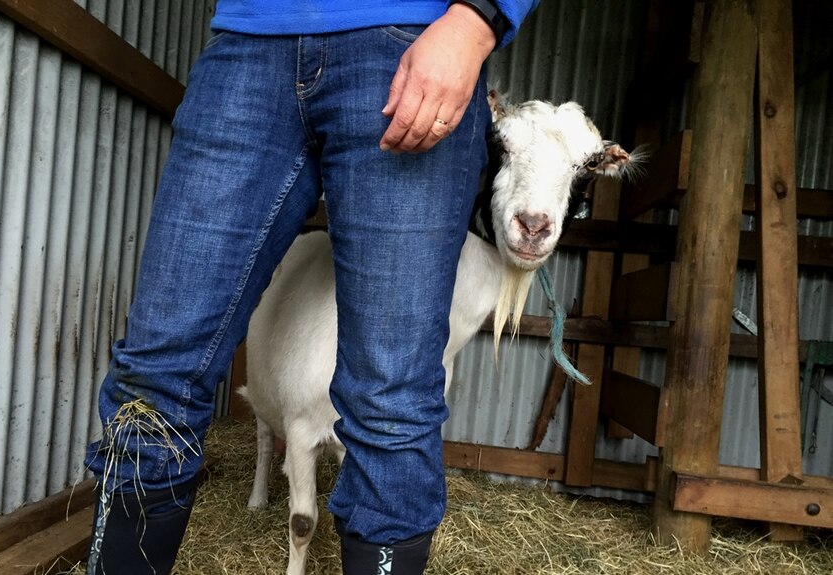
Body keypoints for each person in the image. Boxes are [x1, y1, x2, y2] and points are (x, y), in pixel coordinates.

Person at [84, 1, 539, 573]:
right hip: (249, 41)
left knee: (391, 399)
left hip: (411, 41)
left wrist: (477, 21)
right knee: (155, 376)